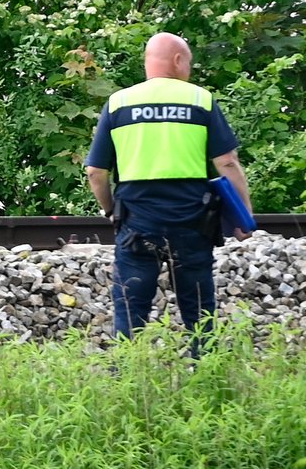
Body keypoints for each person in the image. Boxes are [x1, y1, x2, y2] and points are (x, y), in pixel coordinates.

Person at [85, 32, 253, 339]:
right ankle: (205, 376)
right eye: (189, 61)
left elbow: (96, 172)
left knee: (130, 310)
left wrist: (111, 210)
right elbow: (227, 161)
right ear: (178, 60)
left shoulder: (118, 103)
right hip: (192, 222)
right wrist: (244, 214)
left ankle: (129, 376)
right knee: (199, 311)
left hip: (137, 223)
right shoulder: (200, 100)